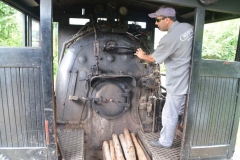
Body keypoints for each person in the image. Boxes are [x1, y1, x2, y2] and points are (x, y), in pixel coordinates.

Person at [134, 5, 193, 148]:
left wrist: (142, 56)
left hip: (178, 80)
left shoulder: (169, 39)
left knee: (169, 113)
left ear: (167, 20)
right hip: (190, 77)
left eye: (158, 19)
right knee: (184, 108)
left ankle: (165, 142)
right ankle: (186, 135)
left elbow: (153, 59)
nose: (156, 23)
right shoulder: (188, 27)